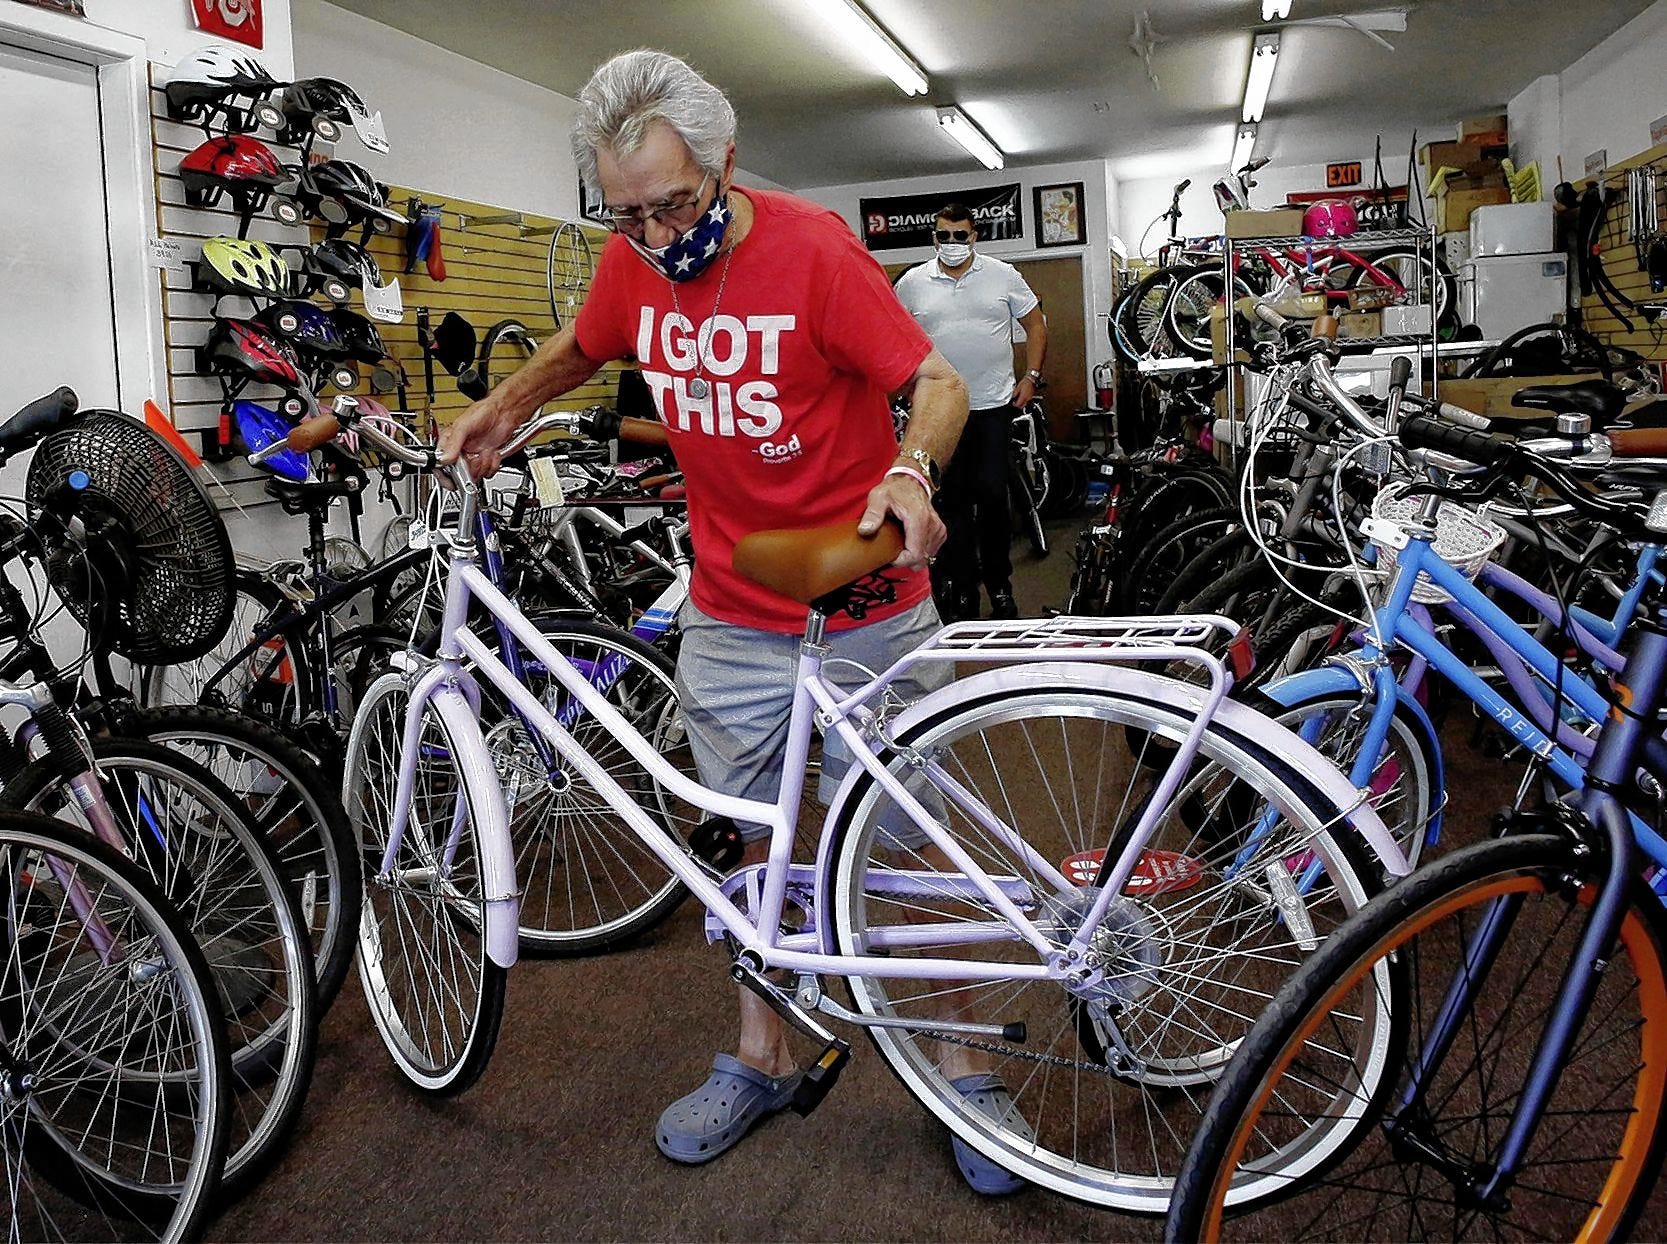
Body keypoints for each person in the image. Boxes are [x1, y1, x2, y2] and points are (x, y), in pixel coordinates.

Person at [438, 51, 1026, 1195]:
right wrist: (501, 406)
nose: (656, 236)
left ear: (725, 159)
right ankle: (763, 1050)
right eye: (628, 215)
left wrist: (909, 472)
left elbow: (938, 385)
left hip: (865, 605)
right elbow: (588, 342)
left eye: (675, 205)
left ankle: (964, 1066)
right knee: (757, 851)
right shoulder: (630, 262)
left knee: (907, 853)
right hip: (729, 613)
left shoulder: (813, 252)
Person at [894, 206, 1048, 622]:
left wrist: (1030, 377)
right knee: (950, 505)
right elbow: (891, 334)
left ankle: (1000, 586)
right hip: (938, 414)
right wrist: (905, 383)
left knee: (994, 498)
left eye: (960, 235)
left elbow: (1036, 324)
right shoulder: (913, 283)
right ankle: (959, 589)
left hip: (993, 408)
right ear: (934, 238)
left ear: (975, 237)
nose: (952, 244)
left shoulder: (1003, 276)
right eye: (944, 235)